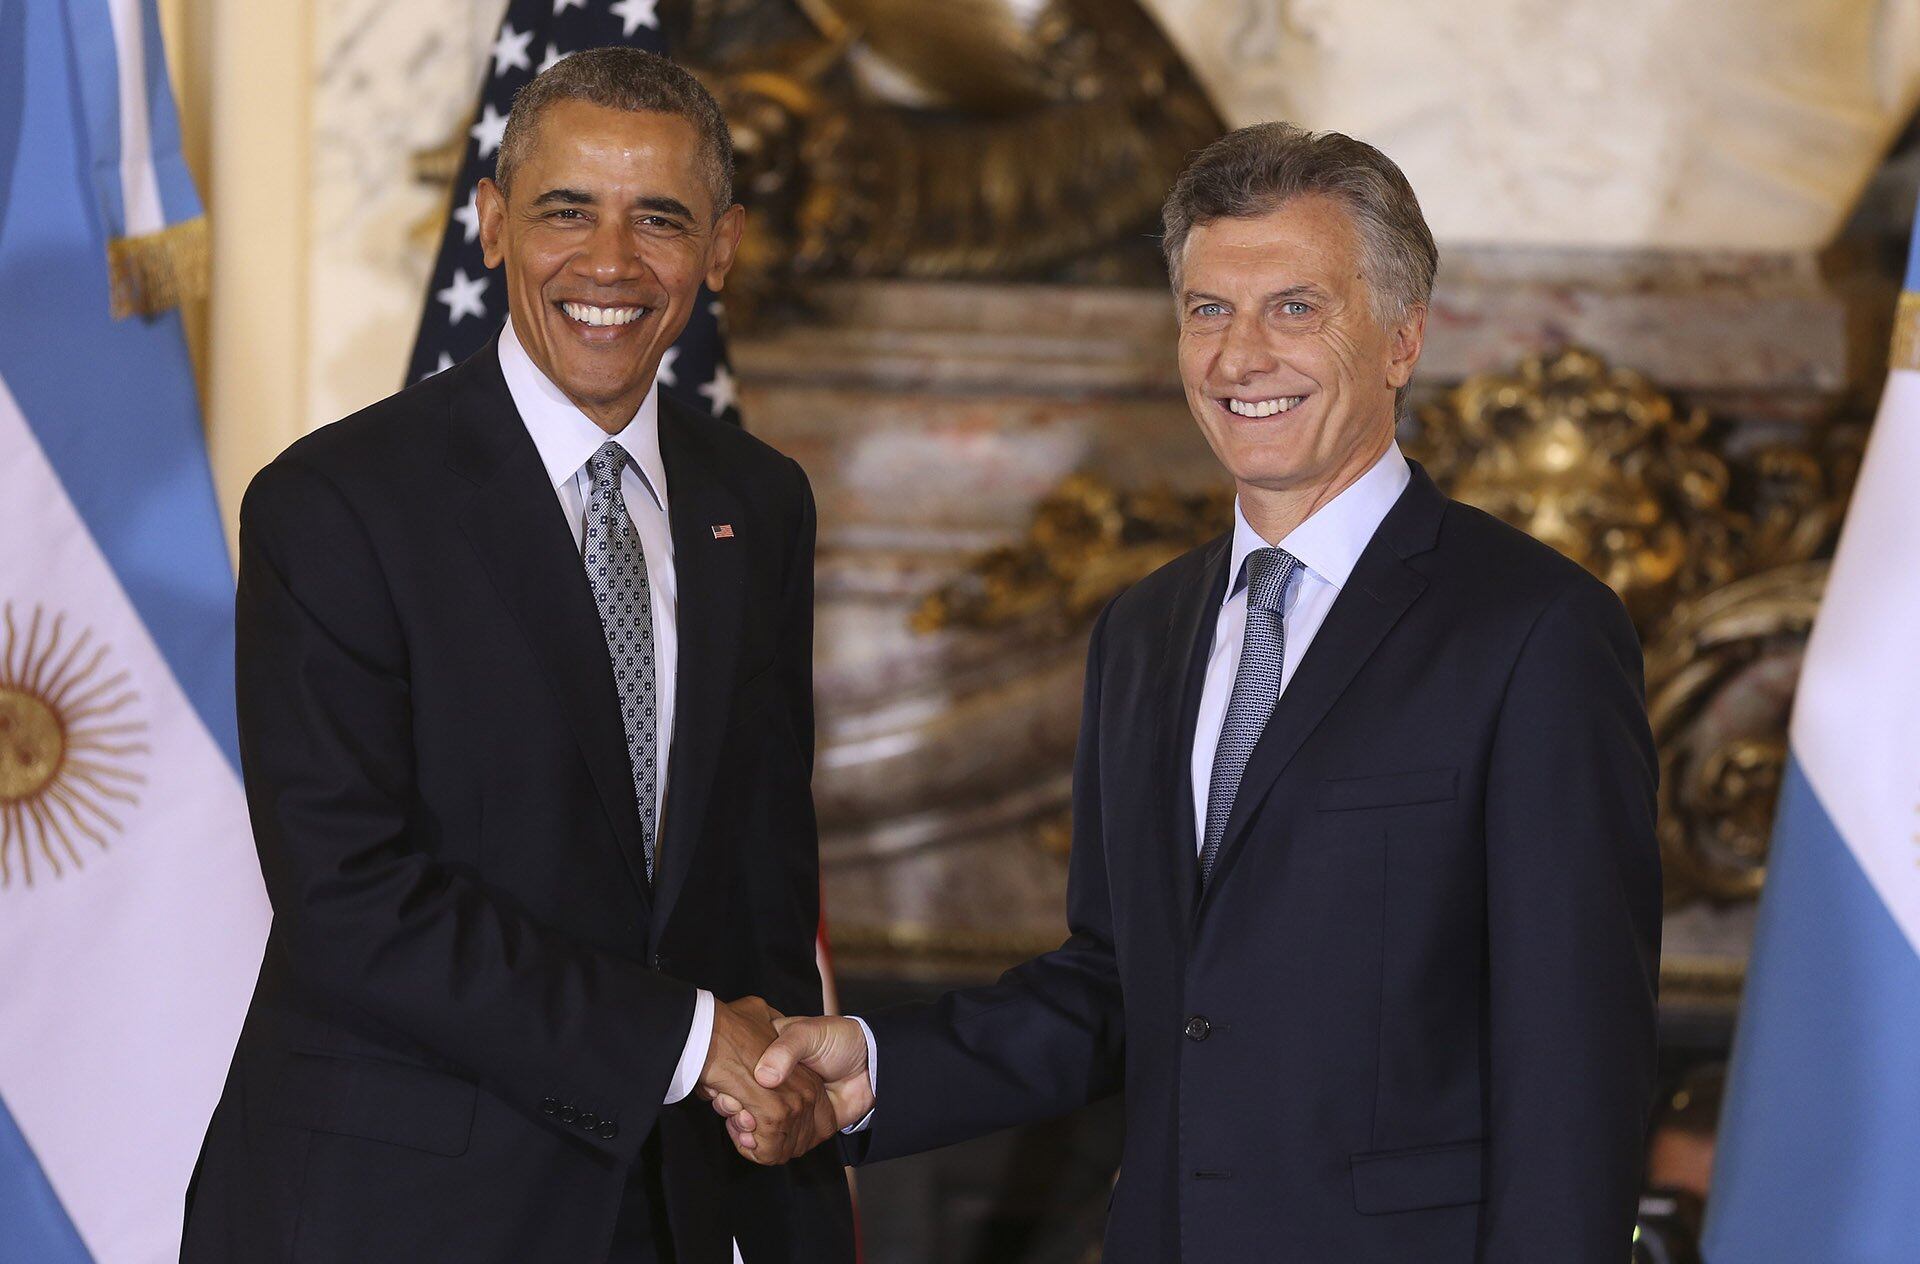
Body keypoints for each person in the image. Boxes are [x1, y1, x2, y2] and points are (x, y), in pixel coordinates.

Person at [733, 123, 1663, 1262]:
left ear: (1402, 338)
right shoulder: (1143, 632)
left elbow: (1576, 1057)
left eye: (1294, 307)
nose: (1239, 357)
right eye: (1208, 309)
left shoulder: (1536, 630)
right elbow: (1122, 982)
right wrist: (878, 1069)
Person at [182, 48, 851, 1264]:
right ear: (490, 225)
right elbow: (352, 899)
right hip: (391, 1211)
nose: (609, 263)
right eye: (564, 211)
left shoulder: (758, 501)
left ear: (722, 246)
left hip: (668, 1208)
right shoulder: (337, 503)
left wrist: (781, 1143)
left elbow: (758, 877)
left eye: (659, 218)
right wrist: (699, 1040)